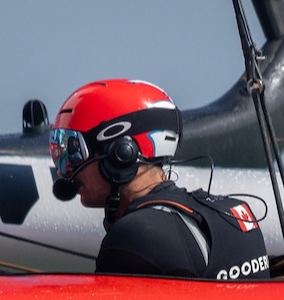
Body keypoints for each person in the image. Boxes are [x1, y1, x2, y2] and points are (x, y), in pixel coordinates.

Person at [48, 78, 270, 281]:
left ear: (122, 153)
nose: (66, 172)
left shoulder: (133, 237)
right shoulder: (237, 213)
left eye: (74, 152)